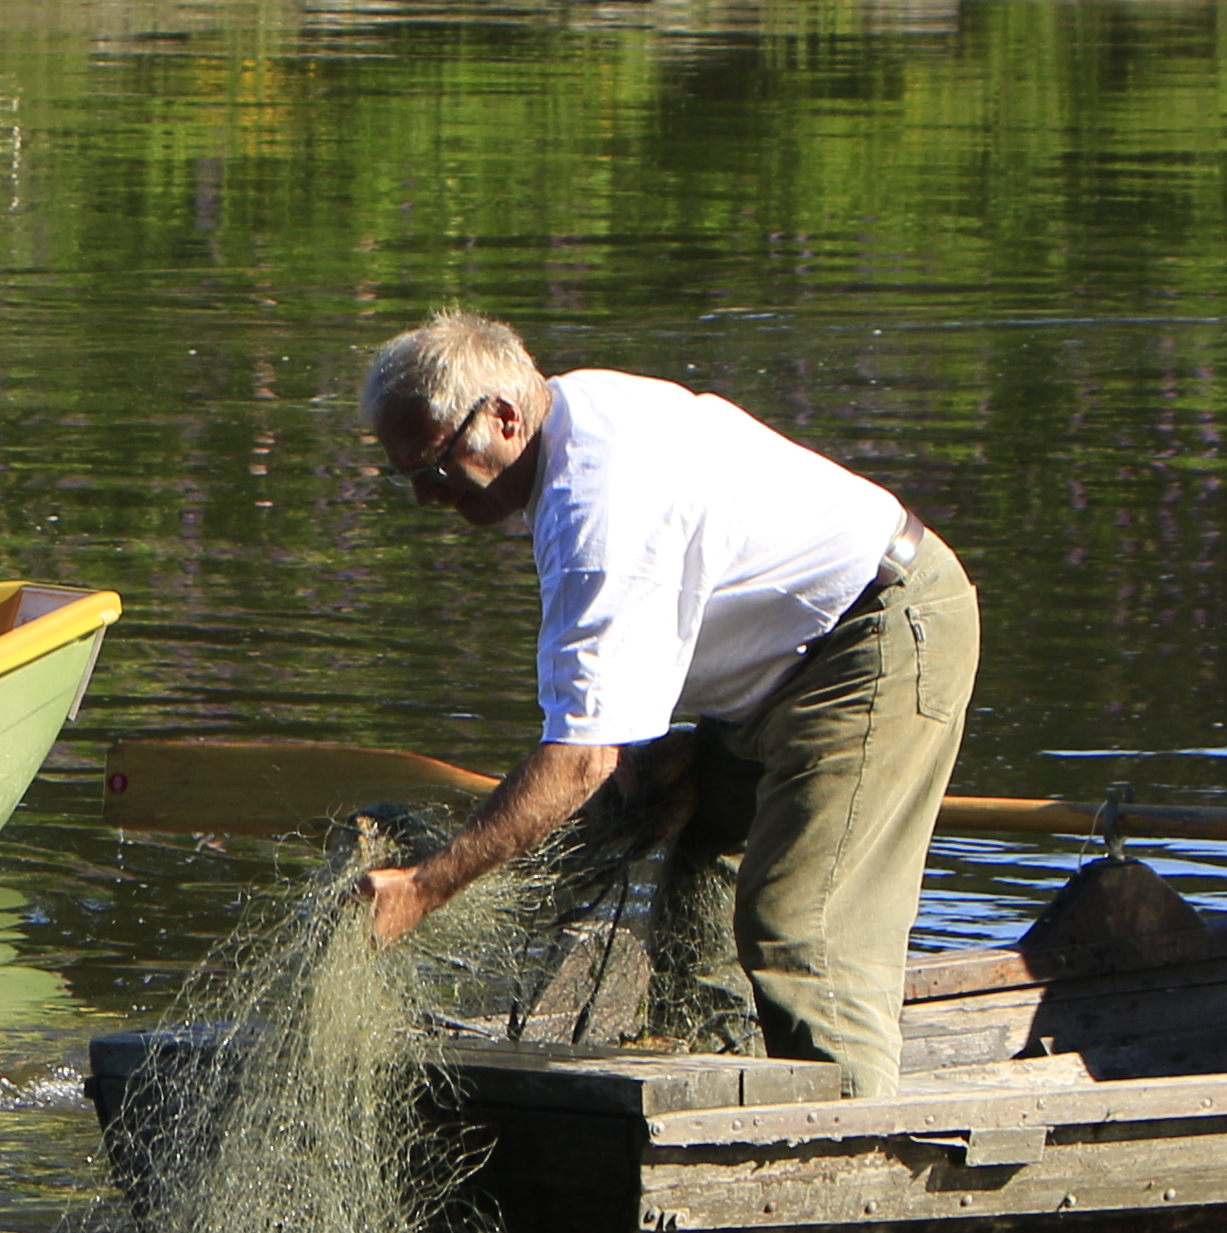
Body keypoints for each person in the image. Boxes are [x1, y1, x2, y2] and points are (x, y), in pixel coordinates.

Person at [352, 311, 980, 1096]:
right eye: (405, 475)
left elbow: (578, 759)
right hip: (776, 667)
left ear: (504, 418)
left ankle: (851, 1166)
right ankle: (713, 1092)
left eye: (436, 470)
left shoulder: (600, 507)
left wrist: (423, 888)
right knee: (697, 858)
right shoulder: (567, 416)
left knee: (799, 930)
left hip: (874, 639)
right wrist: (642, 739)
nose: (423, 498)